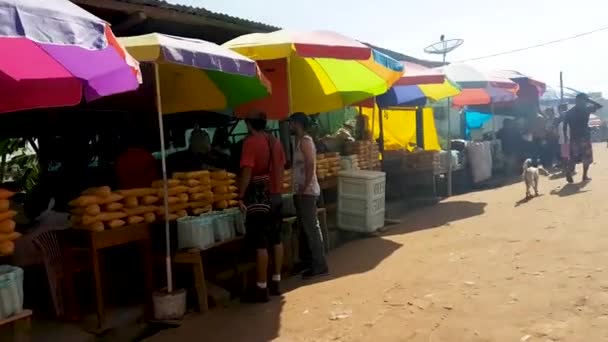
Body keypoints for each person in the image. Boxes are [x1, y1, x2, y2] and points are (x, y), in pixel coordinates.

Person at [237, 112, 284, 302]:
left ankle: (261, 287)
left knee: (261, 242)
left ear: (249, 124)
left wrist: (240, 195)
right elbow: (282, 165)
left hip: (259, 197)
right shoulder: (275, 141)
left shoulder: (251, 143)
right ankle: (276, 281)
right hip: (277, 195)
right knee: (277, 239)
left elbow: (247, 171)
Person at [289, 113, 329, 279]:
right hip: (301, 191)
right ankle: (308, 262)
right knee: (304, 228)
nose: (289, 126)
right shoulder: (298, 142)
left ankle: (320, 264)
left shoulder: (305, 141)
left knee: (312, 228)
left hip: (307, 192)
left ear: (297, 124)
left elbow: (311, 164)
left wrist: (304, 187)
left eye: (291, 123)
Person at [563, 93, 603, 183]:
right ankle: (584, 176)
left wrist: (566, 136)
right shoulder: (586, 109)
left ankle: (569, 172)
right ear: (582, 100)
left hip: (574, 137)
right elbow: (599, 106)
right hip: (584, 136)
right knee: (587, 158)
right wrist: (589, 100)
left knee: (573, 157)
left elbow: (565, 126)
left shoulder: (570, 112)